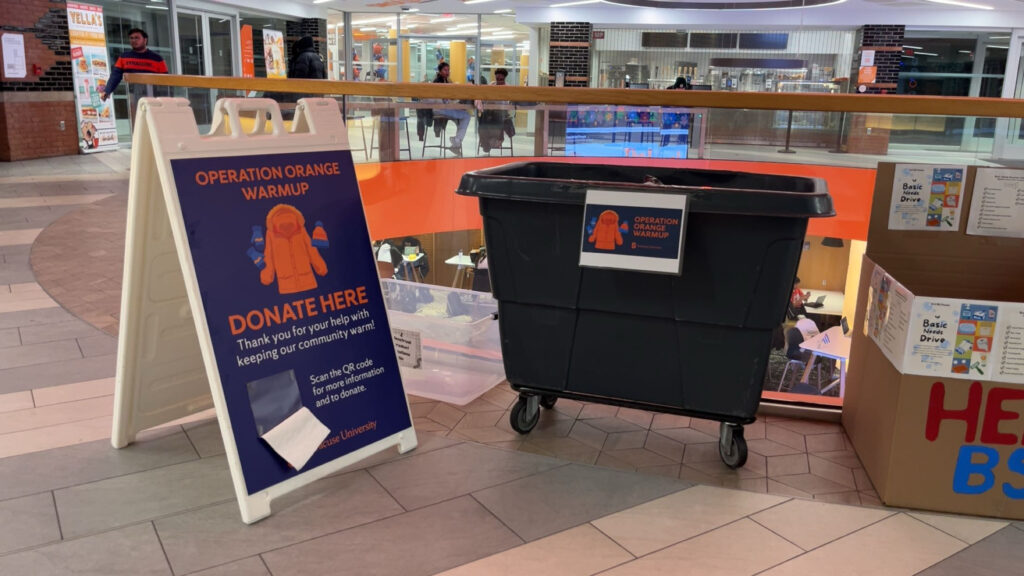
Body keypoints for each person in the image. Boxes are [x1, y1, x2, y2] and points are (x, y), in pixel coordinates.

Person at [101, 28, 167, 102]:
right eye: (131, 38)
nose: (133, 40)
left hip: (153, 97)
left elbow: (165, 81)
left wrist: (166, 100)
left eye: (137, 38)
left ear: (145, 40)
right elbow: (115, 76)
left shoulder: (157, 59)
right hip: (132, 96)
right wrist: (107, 90)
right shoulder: (124, 57)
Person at [432, 62, 471, 156]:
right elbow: (445, 98)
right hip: (440, 109)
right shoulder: (438, 82)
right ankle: (457, 141)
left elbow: (451, 97)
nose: (447, 72)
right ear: (440, 71)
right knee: (466, 116)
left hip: (445, 108)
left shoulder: (447, 80)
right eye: (445, 70)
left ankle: (456, 145)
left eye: (448, 70)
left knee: (461, 118)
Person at [477, 68, 514, 153]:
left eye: (501, 79)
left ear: (505, 78)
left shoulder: (508, 87)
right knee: (482, 117)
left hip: (501, 111)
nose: (499, 81)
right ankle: (487, 141)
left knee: (490, 117)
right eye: (497, 79)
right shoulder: (492, 84)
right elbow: (485, 97)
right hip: (489, 110)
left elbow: (508, 103)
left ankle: (489, 141)